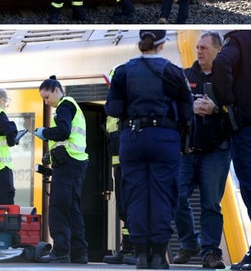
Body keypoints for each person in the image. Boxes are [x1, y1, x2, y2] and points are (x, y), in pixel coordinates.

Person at [105, 30, 194, 269]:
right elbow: (188, 111)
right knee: (163, 195)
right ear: (162, 45)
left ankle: (141, 255)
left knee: (135, 196)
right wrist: (186, 143)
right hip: (165, 139)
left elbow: (112, 108)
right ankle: (158, 255)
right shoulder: (173, 72)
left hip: (132, 139)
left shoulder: (123, 72)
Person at [172, 31, 229, 269]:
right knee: (175, 196)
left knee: (210, 204)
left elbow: (240, 111)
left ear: (218, 50)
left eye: (204, 48)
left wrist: (217, 109)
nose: (199, 52)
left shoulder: (228, 77)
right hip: (187, 150)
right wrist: (189, 108)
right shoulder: (185, 76)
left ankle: (210, 253)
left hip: (216, 150)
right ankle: (189, 243)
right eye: (197, 47)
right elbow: (172, 110)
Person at [34, 76, 89, 264]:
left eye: (47, 97)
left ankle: (60, 251)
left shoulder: (65, 106)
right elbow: (67, 137)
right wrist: (51, 155)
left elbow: (63, 132)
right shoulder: (71, 106)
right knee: (72, 209)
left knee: (58, 207)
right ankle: (79, 253)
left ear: (56, 90)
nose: (46, 102)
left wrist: (44, 132)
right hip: (75, 163)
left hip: (68, 165)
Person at [212, 30, 251, 270]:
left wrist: (227, 102)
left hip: (247, 126)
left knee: (249, 185)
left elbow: (222, 61)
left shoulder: (239, 39)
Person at [103, 113, 137, 266]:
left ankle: (139, 248)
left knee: (134, 206)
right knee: (123, 209)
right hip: (118, 164)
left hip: (132, 163)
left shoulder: (129, 102)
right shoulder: (112, 110)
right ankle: (128, 248)